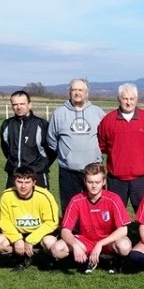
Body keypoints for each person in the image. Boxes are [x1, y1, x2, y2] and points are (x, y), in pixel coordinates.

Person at [50, 162, 132, 274]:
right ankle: (84, 259)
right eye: (90, 182)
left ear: (104, 182)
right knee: (56, 249)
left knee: (124, 246)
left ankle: (112, 259)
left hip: (108, 241)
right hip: (86, 240)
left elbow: (123, 230)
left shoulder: (113, 199)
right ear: (85, 181)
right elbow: (65, 230)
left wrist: (100, 243)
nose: (94, 186)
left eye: (97, 182)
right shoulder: (76, 200)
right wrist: (75, 246)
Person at [47, 78, 105, 211]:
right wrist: (66, 155)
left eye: (80, 90)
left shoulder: (98, 112)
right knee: (69, 207)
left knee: (95, 206)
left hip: (93, 170)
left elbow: (104, 137)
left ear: (87, 93)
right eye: (74, 90)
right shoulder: (59, 113)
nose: (77, 93)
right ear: (69, 92)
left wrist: (95, 152)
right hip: (68, 170)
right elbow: (51, 139)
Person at [97, 83, 144, 212]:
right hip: (116, 180)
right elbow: (103, 145)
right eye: (125, 99)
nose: (129, 102)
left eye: (132, 98)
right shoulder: (108, 120)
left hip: (141, 179)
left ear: (137, 99)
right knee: (115, 214)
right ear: (119, 99)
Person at [0, 166, 60, 271]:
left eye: (27, 182)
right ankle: (21, 257)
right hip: (18, 232)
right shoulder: (6, 195)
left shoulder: (45, 196)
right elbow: (3, 221)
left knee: (50, 242)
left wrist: (31, 240)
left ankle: (44, 258)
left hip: (40, 233)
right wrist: (16, 239)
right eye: (19, 182)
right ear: (14, 181)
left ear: (34, 182)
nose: (23, 186)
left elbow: (51, 222)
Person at [0, 90, 54, 189]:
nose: (19, 107)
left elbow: (51, 150)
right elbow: (6, 148)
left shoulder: (41, 124)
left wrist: (40, 166)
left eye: (22, 104)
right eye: (15, 104)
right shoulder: (7, 125)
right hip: (14, 174)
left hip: (37, 175)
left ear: (30, 104)